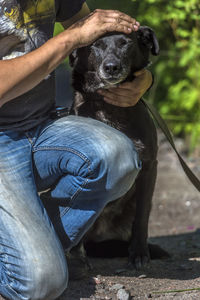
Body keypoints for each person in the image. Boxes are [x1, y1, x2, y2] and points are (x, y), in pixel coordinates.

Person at [0, 1, 153, 299]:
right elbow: (78, 35)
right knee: (40, 284)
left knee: (119, 155)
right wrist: (71, 37)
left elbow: (101, 34)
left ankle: (30, 244)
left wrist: (144, 78)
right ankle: (26, 256)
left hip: (42, 126)